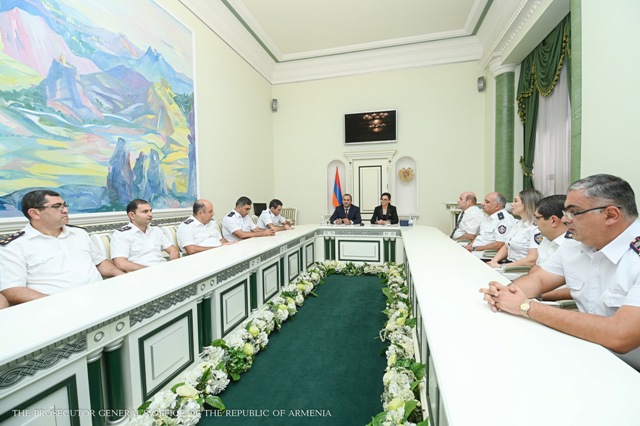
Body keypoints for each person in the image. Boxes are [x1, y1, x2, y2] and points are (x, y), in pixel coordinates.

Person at [480, 174, 640, 370]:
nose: (565, 219)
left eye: (574, 212)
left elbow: (621, 335)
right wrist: (504, 293)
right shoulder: (575, 244)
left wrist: (526, 307)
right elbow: (539, 280)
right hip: (589, 353)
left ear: (611, 215)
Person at [0, 190, 123, 305]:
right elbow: (12, 290)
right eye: (57, 206)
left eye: (64, 205)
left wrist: (122, 276)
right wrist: (58, 304)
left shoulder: (79, 233)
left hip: (101, 297)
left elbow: (99, 262)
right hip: (56, 308)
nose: (65, 210)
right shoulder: (13, 246)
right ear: (34, 213)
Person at [110, 199, 180, 272]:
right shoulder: (121, 234)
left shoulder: (156, 229)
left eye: (150, 211)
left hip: (163, 269)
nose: (150, 214)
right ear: (132, 215)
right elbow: (121, 263)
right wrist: (150, 271)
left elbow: (173, 250)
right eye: (145, 211)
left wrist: (172, 266)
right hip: (141, 273)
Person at [487, 189, 542, 268]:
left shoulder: (536, 229)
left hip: (520, 269)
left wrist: (502, 267)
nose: (512, 204)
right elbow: (507, 246)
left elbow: (532, 259)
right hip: (509, 264)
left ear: (527, 204)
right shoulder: (518, 224)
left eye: (516, 201)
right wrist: (494, 261)